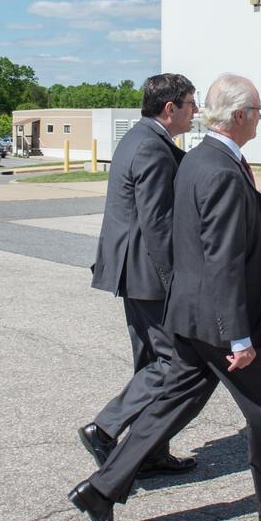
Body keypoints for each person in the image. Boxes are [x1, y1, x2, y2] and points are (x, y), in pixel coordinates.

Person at [69, 74, 261, 521]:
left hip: (191, 311)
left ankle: (100, 490)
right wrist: (239, 335)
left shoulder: (197, 159)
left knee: (175, 400)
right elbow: (222, 258)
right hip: (217, 317)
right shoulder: (218, 169)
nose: (259, 120)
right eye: (258, 111)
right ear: (239, 116)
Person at [78, 73, 198, 477]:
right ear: (170, 109)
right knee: (171, 362)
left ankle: (151, 451)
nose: (194, 111)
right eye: (190, 104)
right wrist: (176, 281)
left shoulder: (139, 138)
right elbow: (157, 223)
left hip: (132, 269)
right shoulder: (151, 147)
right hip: (147, 271)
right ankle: (106, 427)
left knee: (149, 361)